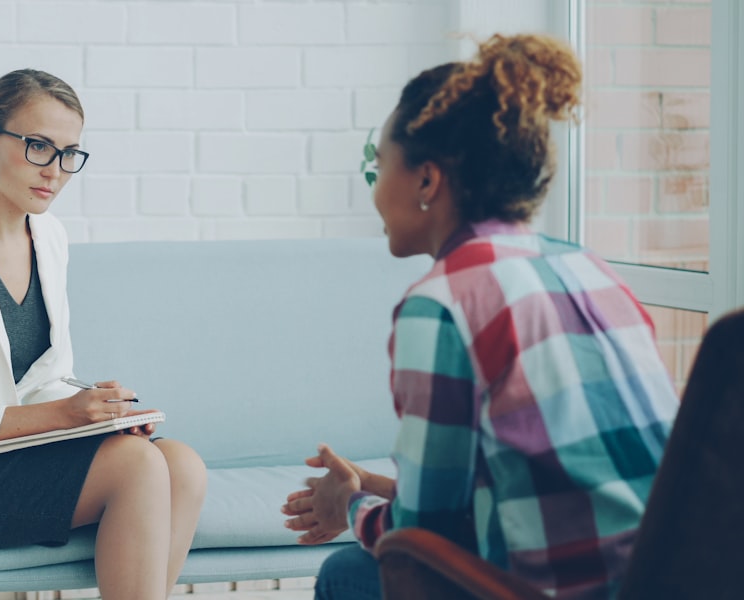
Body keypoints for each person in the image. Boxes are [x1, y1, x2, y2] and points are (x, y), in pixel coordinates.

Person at [281, 34, 679, 600]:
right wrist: (374, 485)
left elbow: (423, 536)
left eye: (381, 164)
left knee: (345, 575)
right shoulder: (588, 268)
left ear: (426, 179)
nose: (374, 189)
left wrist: (347, 504)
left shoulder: (442, 302)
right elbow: (532, 488)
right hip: (673, 578)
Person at [0, 69, 206, 600]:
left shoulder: (48, 233)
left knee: (182, 465)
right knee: (137, 468)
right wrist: (64, 416)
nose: (57, 171)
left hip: (4, 454)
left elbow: (43, 377)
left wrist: (98, 413)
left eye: (70, 153)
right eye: (39, 147)